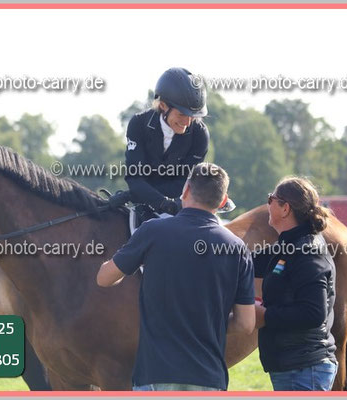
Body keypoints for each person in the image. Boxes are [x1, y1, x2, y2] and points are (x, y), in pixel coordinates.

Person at [97, 163, 255, 391]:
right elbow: (246, 323)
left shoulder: (152, 231)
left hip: (155, 374)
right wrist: (212, 324)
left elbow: (104, 278)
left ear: (186, 190)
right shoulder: (237, 248)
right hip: (209, 378)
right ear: (223, 201)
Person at [254, 177, 338, 391]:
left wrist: (265, 315)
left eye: (271, 199)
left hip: (304, 369)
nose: (267, 204)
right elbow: (248, 261)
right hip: (296, 366)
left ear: (285, 209)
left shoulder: (307, 251)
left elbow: (313, 313)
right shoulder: (289, 245)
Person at [110, 68, 220, 217]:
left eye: (193, 116)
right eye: (182, 114)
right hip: (143, 202)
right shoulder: (138, 124)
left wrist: (136, 196)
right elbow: (135, 177)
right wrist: (159, 202)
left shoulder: (200, 134)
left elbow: (186, 182)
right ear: (163, 106)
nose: (188, 123)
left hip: (179, 204)